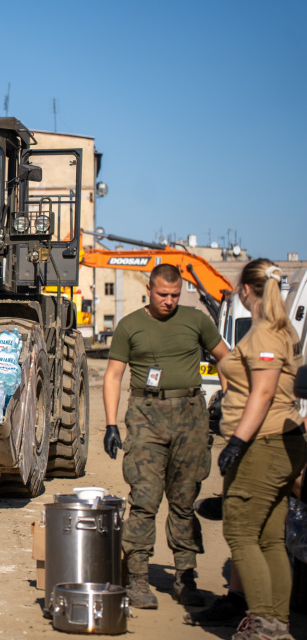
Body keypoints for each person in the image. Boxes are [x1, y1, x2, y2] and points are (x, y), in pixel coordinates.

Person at [103, 263, 230, 609]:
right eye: (163, 294)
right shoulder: (130, 325)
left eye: (175, 295)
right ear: (149, 289)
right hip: (146, 416)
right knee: (144, 500)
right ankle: (138, 578)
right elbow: (113, 375)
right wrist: (111, 424)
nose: (169, 301)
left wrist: (230, 402)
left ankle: (185, 578)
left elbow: (226, 359)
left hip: (190, 417)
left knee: (184, 501)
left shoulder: (197, 320)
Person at [215, 260, 306, 640]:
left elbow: (265, 392)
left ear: (244, 290)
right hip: (276, 444)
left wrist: (237, 441)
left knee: (241, 533)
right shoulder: (283, 330)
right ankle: (276, 624)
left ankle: (266, 627)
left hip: (263, 444)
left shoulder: (266, 334)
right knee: (269, 538)